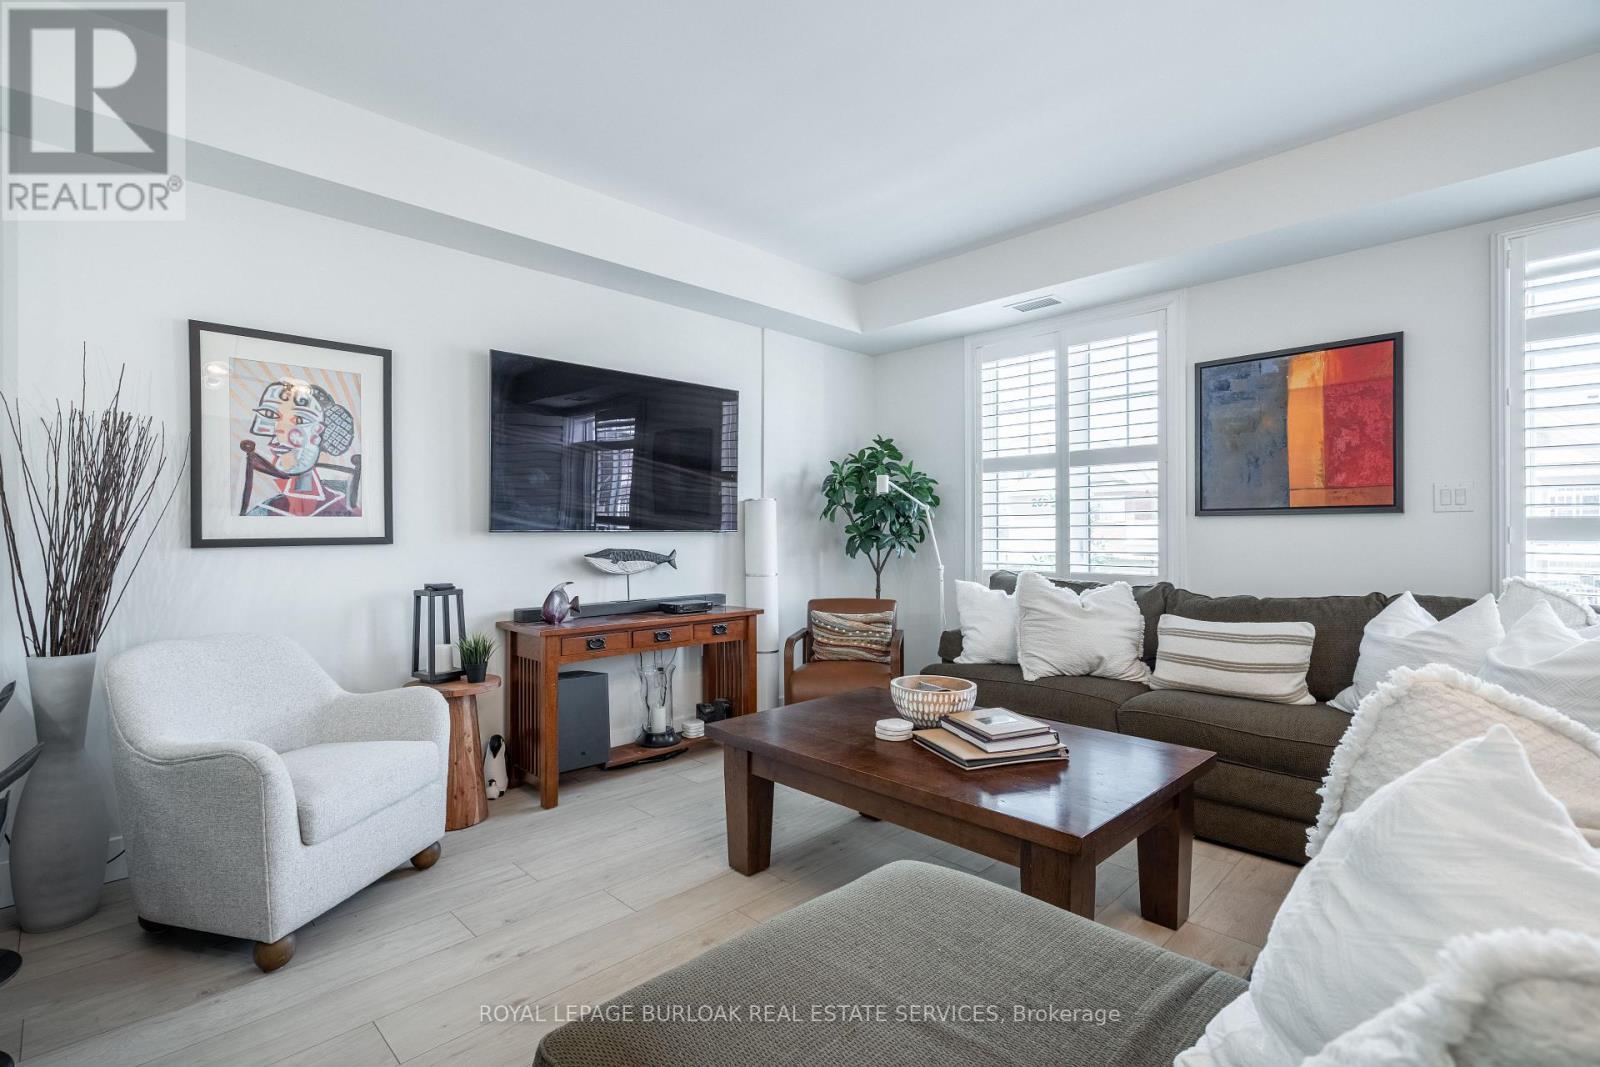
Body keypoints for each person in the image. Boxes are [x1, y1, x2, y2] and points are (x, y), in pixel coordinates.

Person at [243, 378, 360, 517]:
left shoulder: (343, 507)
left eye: (299, 420)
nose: (279, 430)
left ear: (320, 431)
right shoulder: (263, 510)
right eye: (270, 415)